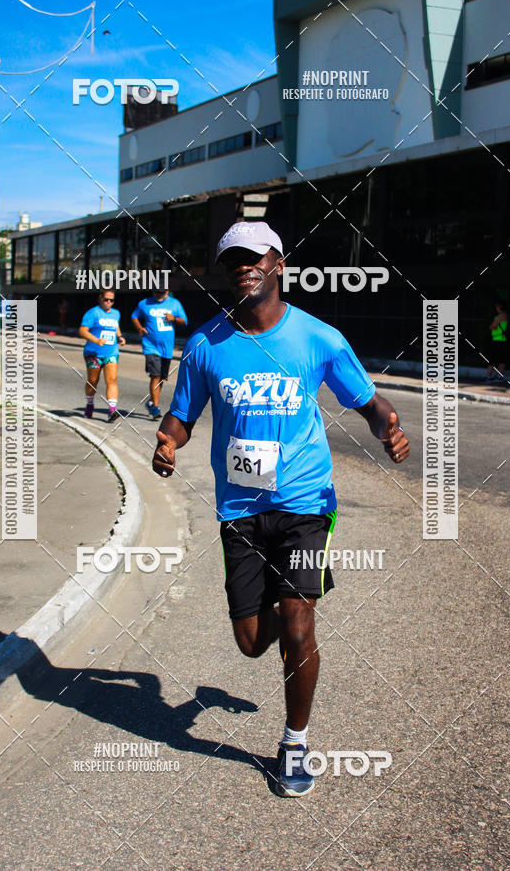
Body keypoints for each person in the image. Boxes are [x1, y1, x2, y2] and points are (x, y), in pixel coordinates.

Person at [151, 221, 410, 798]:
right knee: (250, 641)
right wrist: (167, 443)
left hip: (303, 501)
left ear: (279, 263)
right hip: (239, 508)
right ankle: (283, 595)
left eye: (255, 256)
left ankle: (295, 741)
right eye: (233, 259)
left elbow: (366, 402)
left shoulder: (317, 338)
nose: (244, 265)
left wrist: (387, 427)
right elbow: (182, 418)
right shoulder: (205, 344)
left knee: (298, 625)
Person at [131, 287, 187, 420]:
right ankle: (155, 407)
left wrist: (174, 318)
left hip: (167, 348)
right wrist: (139, 328)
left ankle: (151, 402)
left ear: (167, 291)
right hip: (150, 346)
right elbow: (134, 316)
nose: (159, 295)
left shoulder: (175, 304)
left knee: (161, 377)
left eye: (162, 292)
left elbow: (184, 321)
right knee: (155, 376)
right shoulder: (145, 303)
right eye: (157, 292)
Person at [79, 288, 126, 422]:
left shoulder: (116, 313)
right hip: (93, 353)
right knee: (93, 382)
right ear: (100, 298)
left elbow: (115, 326)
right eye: (106, 299)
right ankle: (89, 404)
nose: (109, 302)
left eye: (111, 300)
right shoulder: (93, 313)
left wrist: (120, 337)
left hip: (111, 352)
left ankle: (112, 410)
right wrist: (96, 340)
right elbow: (82, 331)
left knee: (112, 380)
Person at [486, 301, 508, 381]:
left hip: (497, 339)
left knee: (492, 359)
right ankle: (499, 376)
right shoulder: (506, 315)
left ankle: (488, 376)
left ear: (499, 307)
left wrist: (492, 326)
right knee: (502, 358)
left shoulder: (500, 316)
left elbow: (492, 326)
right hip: (503, 339)